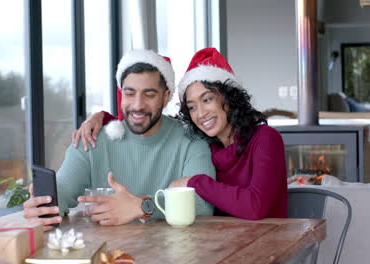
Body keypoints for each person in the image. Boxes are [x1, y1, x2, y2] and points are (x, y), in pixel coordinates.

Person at [73, 48, 287, 220]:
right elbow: (143, 117)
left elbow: (254, 207)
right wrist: (100, 117)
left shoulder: (266, 138)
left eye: (207, 99)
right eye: (192, 107)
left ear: (229, 99)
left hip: (267, 246)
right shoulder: (206, 142)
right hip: (222, 246)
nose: (201, 114)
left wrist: (195, 182)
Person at [23, 50, 215, 230]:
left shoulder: (191, 141)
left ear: (166, 97)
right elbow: (64, 188)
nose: (137, 105)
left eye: (149, 94)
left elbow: (203, 204)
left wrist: (143, 206)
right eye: (129, 93)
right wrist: (45, 204)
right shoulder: (92, 139)